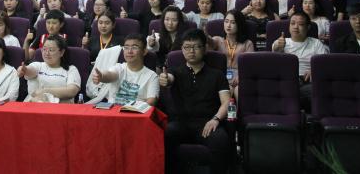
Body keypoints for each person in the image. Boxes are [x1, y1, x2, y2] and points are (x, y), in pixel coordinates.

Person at [161, 28, 231, 174]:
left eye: (196, 47)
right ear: (182, 49)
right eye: (187, 47)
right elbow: (169, 79)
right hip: (181, 123)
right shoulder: (175, 72)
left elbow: (227, 102)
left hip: (207, 123)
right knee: (165, 134)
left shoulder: (217, 75)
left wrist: (216, 119)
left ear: (204, 48)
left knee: (221, 139)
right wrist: (166, 79)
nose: (191, 51)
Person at [272, 12, 328, 109]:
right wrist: (277, 47)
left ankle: (289, 106)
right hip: (286, 80)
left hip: (307, 81)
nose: (295, 27)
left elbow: (325, 64)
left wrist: (314, 70)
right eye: (292, 23)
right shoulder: (281, 42)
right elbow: (273, 59)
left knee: (317, 89)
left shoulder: (316, 43)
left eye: (300, 24)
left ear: (308, 27)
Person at [91, 33, 159, 106]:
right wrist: (101, 76)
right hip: (113, 111)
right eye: (126, 47)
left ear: (144, 51)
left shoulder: (152, 76)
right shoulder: (118, 68)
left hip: (137, 112)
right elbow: (110, 75)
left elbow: (151, 101)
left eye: (134, 47)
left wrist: (134, 110)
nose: (129, 51)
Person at [19, 35, 81, 103]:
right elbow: (29, 70)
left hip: (61, 107)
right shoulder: (38, 65)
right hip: (34, 105)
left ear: (61, 52)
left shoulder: (71, 69)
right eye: (44, 49)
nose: (47, 53)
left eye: (51, 50)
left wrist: (45, 91)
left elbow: (72, 91)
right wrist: (24, 70)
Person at [208, 10, 255, 97]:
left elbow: (250, 65)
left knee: (238, 90)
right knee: (226, 90)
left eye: (233, 22)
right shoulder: (218, 40)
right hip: (222, 77)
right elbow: (210, 42)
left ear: (239, 25)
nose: (228, 25)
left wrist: (240, 76)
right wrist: (205, 36)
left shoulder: (247, 43)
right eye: (226, 21)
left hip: (240, 77)